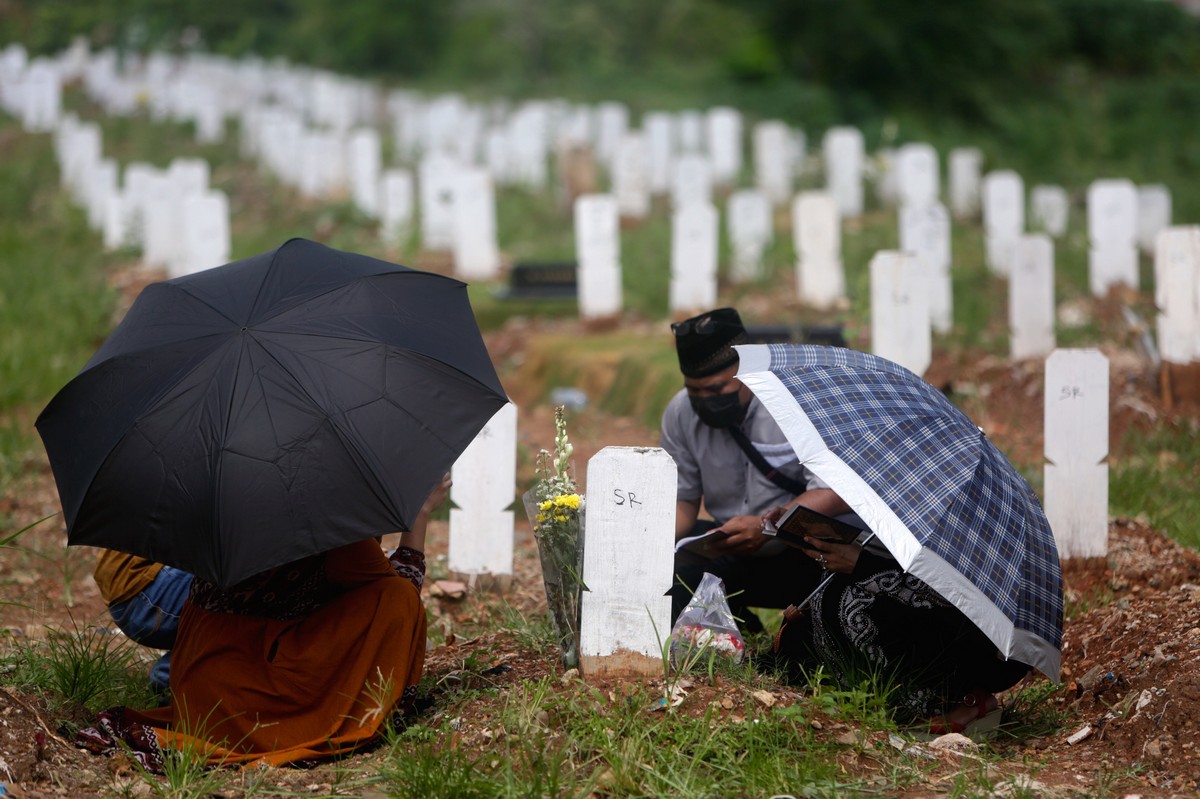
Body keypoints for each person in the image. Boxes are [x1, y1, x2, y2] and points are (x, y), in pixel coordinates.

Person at [77, 474, 451, 770]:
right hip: (239, 708)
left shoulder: (237, 480)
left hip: (196, 688)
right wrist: (418, 513)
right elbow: (396, 587)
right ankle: (313, 711)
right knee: (394, 599)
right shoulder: (327, 501)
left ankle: (170, 673)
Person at [659, 307, 858, 631]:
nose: (704, 400)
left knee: (842, 587)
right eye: (695, 391)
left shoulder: (795, 405)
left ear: (746, 371)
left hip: (804, 552)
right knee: (669, 570)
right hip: (733, 544)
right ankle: (739, 626)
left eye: (716, 389)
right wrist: (650, 543)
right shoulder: (681, 412)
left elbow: (833, 491)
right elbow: (683, 501)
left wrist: (766, 528)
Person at [762, 503, 1032, 735]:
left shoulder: (985, 521)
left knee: (853, 594)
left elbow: (952, 591)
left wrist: (862, 565)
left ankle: (959, 700)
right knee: (835, 585)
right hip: (923, 599)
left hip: (978, 643)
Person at [93, 551, 193, 694]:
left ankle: (172, 674)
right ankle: (171, 677)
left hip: (127, 591)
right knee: (230, 581)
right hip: (143, 593)